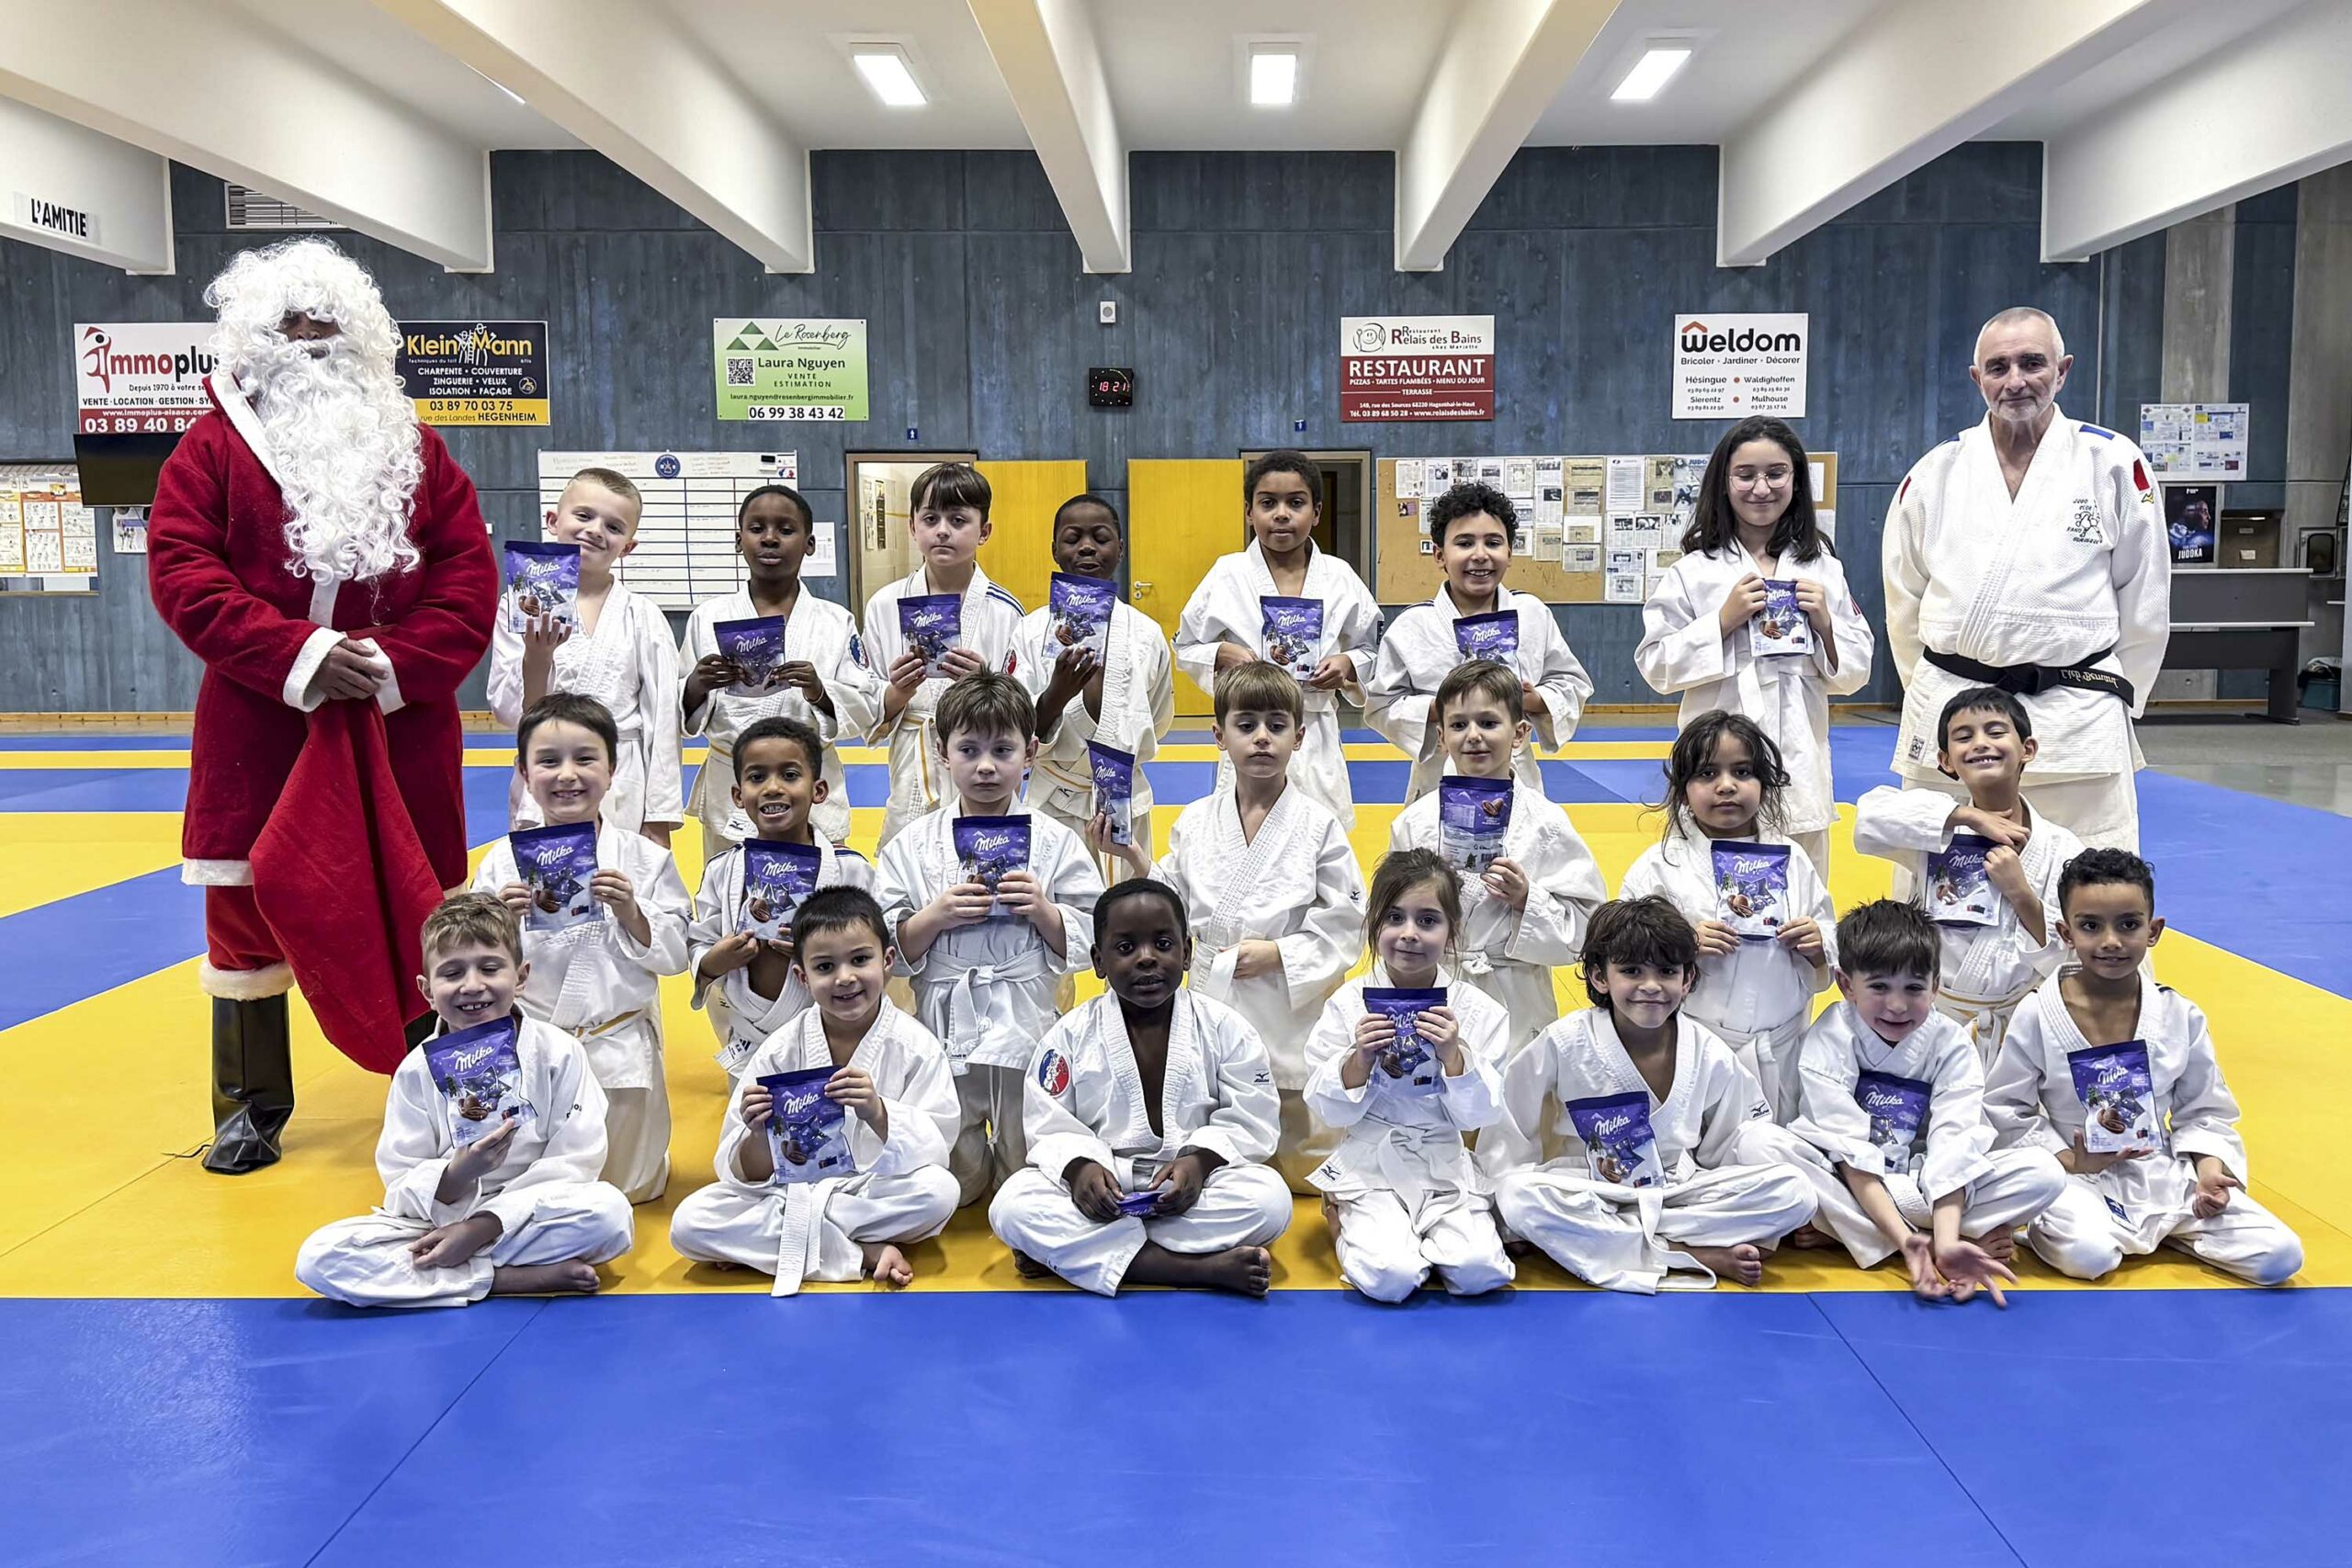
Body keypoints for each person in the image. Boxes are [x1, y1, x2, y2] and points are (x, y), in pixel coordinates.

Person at [148, 237, 497, 1172]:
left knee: (423, 906)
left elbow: (467, 579)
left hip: (401, 723)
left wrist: (384, 665)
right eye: (289, 325)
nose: (310, 340)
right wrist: (300, 655)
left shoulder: (419, 450)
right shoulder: (212, 449)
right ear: (255, 339)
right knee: (244, 913)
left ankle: (448, 1082)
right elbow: (184, 571)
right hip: (260, 722)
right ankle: (249, 1106)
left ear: (361, 337)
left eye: (327, 324)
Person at [1883, 305, 2171, 852]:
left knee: (2089, 882)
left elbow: (2146, 606)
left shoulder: (2110, 462)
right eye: (1998, 367)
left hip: (2075, 715)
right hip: (1956, 713)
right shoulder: (1933, 473)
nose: (2015, 381)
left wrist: (2109, 699)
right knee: (1944, 885)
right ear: (1977, 379)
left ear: (2062, 370)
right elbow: (1904, 605)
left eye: (2032, 363)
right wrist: (1938, 694)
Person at [1096, 661, 1364, 1192]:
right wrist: (1132, 856)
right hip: (1215, 987)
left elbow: (1345, 918)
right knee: (1217, 1100)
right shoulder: (1196, 819)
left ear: (1300, 736)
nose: (1261, 738)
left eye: (1276, 726)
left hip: (1285, 994)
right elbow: (1173, 897)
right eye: (1246, 726)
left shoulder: (1319, 824)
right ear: (1220, 736)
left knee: (1302, 1162)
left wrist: (1282, 955)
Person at [294, 894, 632, 1308]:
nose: (472, 986)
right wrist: (457, 1174)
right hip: (435, 1223)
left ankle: (459, 1268)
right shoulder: (416, 1070)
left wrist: (481, 1227)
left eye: (490, 968)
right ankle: (503, 1280)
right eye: (452, 973)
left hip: (527, 1217)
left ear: (521, 977)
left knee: (609, 1213)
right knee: (319, 1257)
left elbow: (577, 1160)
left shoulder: (558, 1053)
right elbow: (398, 1181)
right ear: (427, 990)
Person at [1985, 850, 2302, 1285]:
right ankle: (2057, 1227)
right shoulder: (2037, 1013)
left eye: (2128, 925)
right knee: (2089, 1257)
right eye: (2091, 926)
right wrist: (2069, 1160)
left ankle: (2171, 1227)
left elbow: (2205, 1110)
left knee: (2280, 1257)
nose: (2111, 941)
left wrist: (2210, 1172)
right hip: (2077, 1178)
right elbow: (2006, 1110)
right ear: (2066, 932)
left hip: (2164, 1173)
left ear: (2153, 931)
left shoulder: (2180, 1014)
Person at [1480, 897, 1816, 1292]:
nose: (1651, 986)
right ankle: (1683, 1251)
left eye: (1667, 971)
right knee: (1517, 1195)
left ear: (1687, 979)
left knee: (1796, 1192)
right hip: (1592, 1189)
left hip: (1679, 1192)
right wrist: (1508, 1216)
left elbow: (1732, 1140)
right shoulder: (1566, 1040)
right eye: (1632, 971)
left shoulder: (1705, 1047)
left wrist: (1724, 1192)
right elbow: (1512, 1121)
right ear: (1599, 977)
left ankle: (1631, 1243)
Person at [989, 879, 1290, 1297]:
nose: (1147, 959)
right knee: (1012, 1205)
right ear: (1098, 960)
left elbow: (1251, 1118)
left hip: (1187, 1188)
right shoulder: (1070, 1035)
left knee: (1271, 1200)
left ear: (1186, 952)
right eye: (1126, 948)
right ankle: (1193, 1269)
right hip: (1102, 1190)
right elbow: (1048, 1124)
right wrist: (1079, 1169)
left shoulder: (1227, 1029)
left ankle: (1078, 1256)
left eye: (1163, 944)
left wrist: (1200, 1162)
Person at [876, 674, 1103, 1205]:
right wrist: (933, 917)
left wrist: (1046, 912)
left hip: (1026, 1014)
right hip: (942, 1015)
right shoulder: (912, 844)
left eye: (1002, 750)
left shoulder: (1054, 839)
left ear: (1030, 753)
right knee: (955, 1173)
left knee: (1031, 1163)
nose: (985, 766)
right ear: (941, 751)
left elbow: (1095, 926)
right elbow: (883, 938)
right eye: (969, 749)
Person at [669, 887, 961, 1293]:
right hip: (791, 1192)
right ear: (802, 978)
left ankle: (793, 1242)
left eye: (860, 960)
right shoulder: (780, 1049)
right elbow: (741, 1174)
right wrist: (757, 1133)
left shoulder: (916, 1046)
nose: (845, 978)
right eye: (825, 966)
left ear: (888, 961)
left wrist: (878, 1111)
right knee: (690, 1222)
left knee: (939, 1193)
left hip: (867, 1189)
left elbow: (936, 1148)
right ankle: (863, 1253)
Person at [1780, 900, 2065, 1302]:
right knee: (1759, 1143)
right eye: (1878, 987)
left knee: (2043, 1171)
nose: (1897, 1006)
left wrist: (1945, 1242)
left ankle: (1849, 1232)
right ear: (1846, 984)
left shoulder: (1950, 1044)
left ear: (1935, 985)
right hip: (1851, 1180)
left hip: (1926, 1186)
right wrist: (1908, 1239)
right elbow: (1845, 1149)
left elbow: (1954, 1143)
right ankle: (1913, 1238)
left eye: (1914, 988)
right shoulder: (1830, 1034)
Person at [473, 694, 692, 1202]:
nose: (567, 775)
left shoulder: (644, 860)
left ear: (613, 769)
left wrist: (632, 912)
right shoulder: (501, 865)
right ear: (524, 773)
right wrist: (497, 925)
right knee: (529, 1188)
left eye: (585, 758)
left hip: (617, 1052)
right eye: (548, 761)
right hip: (533, 1056)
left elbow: (679, 956)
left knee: (629, 1189)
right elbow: (467, 971)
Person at [1635, 416, 1873, 876]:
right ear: (1724, 482)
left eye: (1776, 473)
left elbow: (1857, 670)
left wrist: (1825, 623)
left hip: (1798, 762)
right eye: (1745, 475)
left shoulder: (1822, 568)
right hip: (1717, 768)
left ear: (1796, 481)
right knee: (1705, 890)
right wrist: (1720, 623)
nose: (1761, 488)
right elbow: (1654, 665)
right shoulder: (1694, 571)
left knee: (1802, 892)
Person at [1302, 850, 1513, 1302]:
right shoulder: (1347, 1003)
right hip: (1372, 1161)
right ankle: (1345, 1217)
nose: (1409, 934)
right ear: (1374, 925)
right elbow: (1321, 1103)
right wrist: (1357, 1061)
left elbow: (1483, 1113)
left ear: (1452, 932)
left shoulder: (1480, 1012)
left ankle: (1435, 1236)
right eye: (1394, 918)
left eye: (1428, 921)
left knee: (1481, 1272)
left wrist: (1455, 1058)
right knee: (1390, 1278)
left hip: (1442, 1160)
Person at [1619, 712, 1835, 1120]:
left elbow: (1828, 930)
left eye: (1743, 772)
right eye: (1706, 774)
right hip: (1692, 1043)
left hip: (1778, 1046)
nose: (1726, 786)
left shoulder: (1794, 858)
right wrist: (1680, 946)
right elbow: (1623, 948)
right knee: (1694, 1148)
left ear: (1764, 785)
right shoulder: (1660, 865)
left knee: (1775, 1151)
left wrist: (1819, 942)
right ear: (1683, 792)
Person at [1852, 687, 2082, 1061]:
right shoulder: (1936, 833)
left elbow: (2069, 952)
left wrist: (2021, 893)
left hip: (2020, 1023)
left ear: (2028, 749)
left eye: (1995, 732)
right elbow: (1870, 819)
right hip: (1935, 1018)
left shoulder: (2062, 847)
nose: (1980, 743)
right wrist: (1966, 816)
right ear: (1945, 760)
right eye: (1964, 736)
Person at [1384, 660, 1605, 1049]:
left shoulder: (1546, 823)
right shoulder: (1415, 822)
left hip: (1516, 993)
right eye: (1458, 725)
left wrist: (1527, 899)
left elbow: (1589, 924)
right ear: (1441, 736)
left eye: (1488, 723)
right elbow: (1388, 915)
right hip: (1435, 987)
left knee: (1518, 1100)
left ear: (1520, 733)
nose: (1473, 736)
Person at [1175, 450, 1383, 828]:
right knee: (1243, 831)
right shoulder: (1228, 574)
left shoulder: (1339, 576)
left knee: (1320, 835)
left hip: (1314, 728)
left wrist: (1348, 666)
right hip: (1248, 726)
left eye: (1296, 503)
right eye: (1268, 503)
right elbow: (1186, 646)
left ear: (1316, 513)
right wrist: (1222, 652)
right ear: (1249, 512)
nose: (1282, 514)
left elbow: (1370, 646)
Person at [678, 484, 883, 851]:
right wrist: (696, 686)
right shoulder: (707, 618)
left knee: (820, 902)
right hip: (735, 787)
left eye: (786, 530)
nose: (770, 539)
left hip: (810, 786)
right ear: (739, 540)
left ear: (809, 543)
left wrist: (819, 691)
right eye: (757, 529)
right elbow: (679, 706)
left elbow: (866, 703)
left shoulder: (836, 621)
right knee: (729, 895)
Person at [1365, 479, 1592, 805]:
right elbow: (1380, 705)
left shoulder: (1532, 613)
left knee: (1519, 852)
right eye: (1465, 543)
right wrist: (1440, 708)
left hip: (1516, 774)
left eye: (1493, 542)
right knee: (1434, 853)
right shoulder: (1413, 626)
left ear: (1510, 553)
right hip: (1439, 776)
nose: (1480, 555)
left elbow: (1570, 682)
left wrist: (1532, 700)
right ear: (1440, 555)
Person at [488, 466, 683, 843]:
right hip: (546, 775)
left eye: (613, 527)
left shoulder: (643, 615)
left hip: (622, 780)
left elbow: (662, 723)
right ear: (552, 520)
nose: (595, 530)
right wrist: (538, 657)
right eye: (584, 515)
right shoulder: (519, 605)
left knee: (622, 889)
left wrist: (659, 817)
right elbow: (509, 712)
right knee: (546, 891)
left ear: (628, 546)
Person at [686, 716, 876, 1077]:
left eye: (790, 775)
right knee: (749, 1129)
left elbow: (878, 953)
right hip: (748, 1040)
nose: (773, 788)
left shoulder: (851, 871)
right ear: (738, 796)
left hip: (832, 1038)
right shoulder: (722, 871)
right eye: (757, 777)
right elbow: (699, 944)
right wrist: (716, 961)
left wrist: (822, 953)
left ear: (819, 791)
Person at [861, 463, 1026, 847]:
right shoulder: (885, 605)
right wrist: (897, 692)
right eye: (930, 518)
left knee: (982, 866)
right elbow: (864, 700)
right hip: (912, 759)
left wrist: (987, 684)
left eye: (958, 520)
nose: (942, 531)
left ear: (984, 531)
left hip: (984, 758)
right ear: (912, 527)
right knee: (906, 862)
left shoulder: (1006, 611)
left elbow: (1024, 706)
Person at [1012, 494, 1177, 868]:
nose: (1087, 547)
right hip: (1053, 799)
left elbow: (1160, 718)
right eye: (1073, 538)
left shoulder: (1147, 633)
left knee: (1129, 913)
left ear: (1120, 549)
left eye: (1100, 538)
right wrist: (1057, 694)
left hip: (1122, 797)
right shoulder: (1030, 631)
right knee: (1056, 912)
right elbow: (1014, 727)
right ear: (1055, 550)